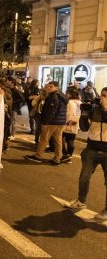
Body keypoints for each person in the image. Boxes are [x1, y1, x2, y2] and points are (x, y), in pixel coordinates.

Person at [64, 87, 107, 222]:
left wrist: (106, 110)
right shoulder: (94, 109)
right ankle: (81, 201)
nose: (102, 98)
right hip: (92, 148)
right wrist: (84, 113)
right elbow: (83, 128)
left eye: (105, 96)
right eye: (102, 95)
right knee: (84, 177)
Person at [25, 81, 67, 166]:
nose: (48, 88)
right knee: (58, 141)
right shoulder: (62, 96)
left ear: (56, 87)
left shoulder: (54, 96)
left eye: (51, 87)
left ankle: (38, 156)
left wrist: (45, 122)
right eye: (48, 86)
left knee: (44, 139)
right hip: (60, 121)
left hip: (52, 122)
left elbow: (51, 111)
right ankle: (57, 158)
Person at [61, 88, 82, 163]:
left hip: (69, 123)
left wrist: (66, 122)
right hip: (77, 123)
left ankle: (66, 155)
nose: (66, 95)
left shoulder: (70, 102)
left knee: (60, 138)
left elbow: (69, 113)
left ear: (70, 94)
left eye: (67, 93)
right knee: (71, 139)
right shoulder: (80, 102)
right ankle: (69, 155)